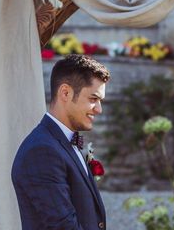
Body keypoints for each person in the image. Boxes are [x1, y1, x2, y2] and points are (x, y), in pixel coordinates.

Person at [12, 54, 111, 230]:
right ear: (65, 93)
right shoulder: (41, 151)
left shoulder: (60, 142)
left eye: (100, 101)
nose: (99, 109)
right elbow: (63, 226)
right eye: (93, 99)